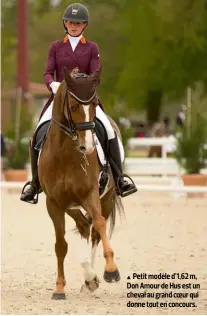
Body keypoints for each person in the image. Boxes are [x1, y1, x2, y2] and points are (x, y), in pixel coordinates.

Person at [20, 3, 137, 203]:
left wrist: (81, 82)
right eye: (71, 22)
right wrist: (53, 85)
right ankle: (35, 183)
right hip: (59, 100)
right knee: (37, 134)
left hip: (86, 100)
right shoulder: (56, 47)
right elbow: (47, 73)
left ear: (85, 25)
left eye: (78, 23)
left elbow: (96, 75)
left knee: (109, 130)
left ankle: (120, 178)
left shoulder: (92, 48)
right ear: (65, 23)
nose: (74, 26)